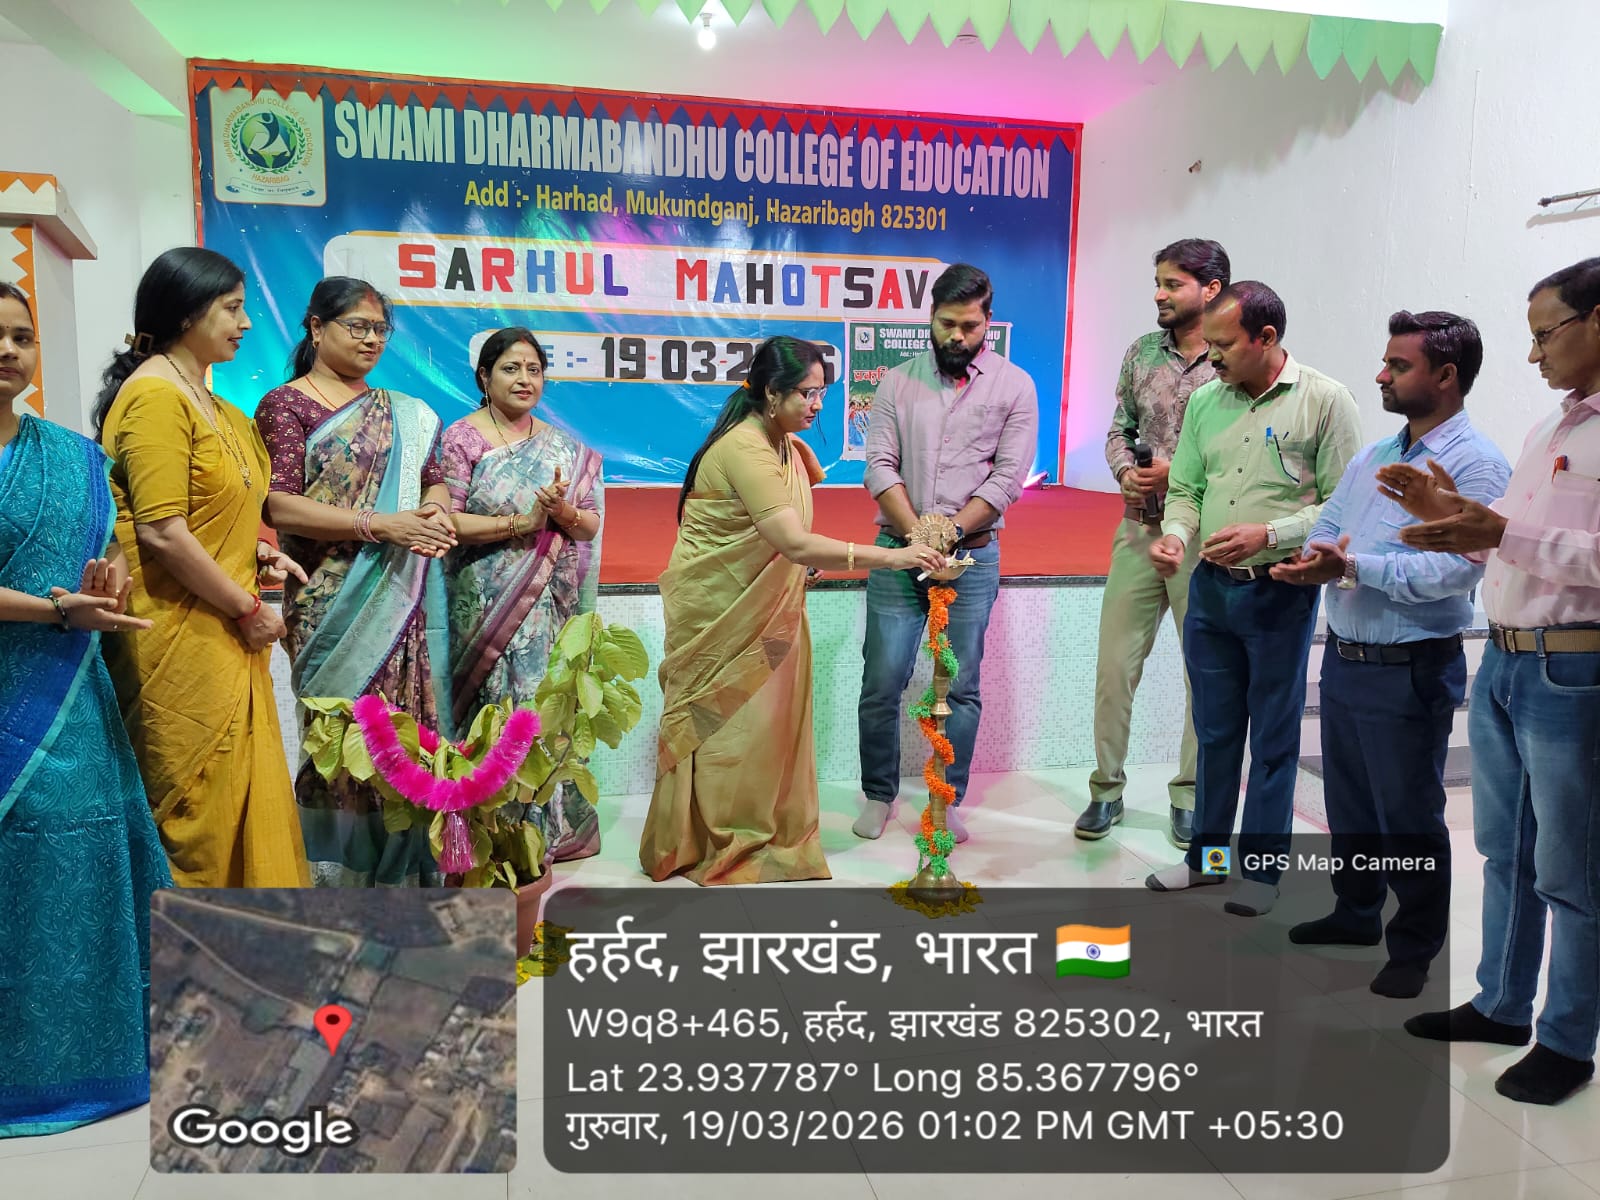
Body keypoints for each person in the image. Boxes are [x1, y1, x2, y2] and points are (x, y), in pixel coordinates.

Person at [1385, 257, 1600, 1105]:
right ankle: (1503, 1005)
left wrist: (1500, 531)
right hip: (1507, 657)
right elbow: (1505, 532)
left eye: (1547, 334)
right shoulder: (1554, 426)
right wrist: (1446, 514)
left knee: (1572, 870)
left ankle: (1568, 1039)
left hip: (1574, 666)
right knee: (1504, 853)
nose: (1535, 354)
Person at [641, 336, 945, 885]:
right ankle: (722, 840)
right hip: (721, 610)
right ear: (771, 393)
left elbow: (782, 536)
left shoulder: (782, 444)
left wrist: (791, 566)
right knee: (728, 730)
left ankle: (764, 830)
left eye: (822, 392)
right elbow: (795, 541)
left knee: (767, 730)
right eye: (807, 393)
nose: (817, 404)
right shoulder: (745, 448)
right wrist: (896, 555)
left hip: (768, 602)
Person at [1270, 311, 1509, 998]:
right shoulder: (1375, 454)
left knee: (1407, 816)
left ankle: (1413, 949)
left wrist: (1352, 568)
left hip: (1410, 667)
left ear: (1446, 375)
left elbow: (1455, 571)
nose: (1381, 375)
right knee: (1349, 803)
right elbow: (1331, 525)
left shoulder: (1476, 463)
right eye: (1385, 362)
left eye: (1398, 366)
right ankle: (1355, 912)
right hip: (1348, 658)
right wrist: (1315, 559)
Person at [0, 283, 174, 1137]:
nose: (8, 351)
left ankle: (93, 1060)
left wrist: (106, 585)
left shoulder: (73, 457)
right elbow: (57, 600)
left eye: (21, 336)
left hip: (70, 699)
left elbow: (107, 557)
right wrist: (58, 610)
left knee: (74, 862)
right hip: (29, 675)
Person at [1143, 281, 1361, 917]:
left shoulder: (1325, 401)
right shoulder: (1206, 401)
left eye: (1223, 344)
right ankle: (1208, 864)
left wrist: (1271, 533)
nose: (1209, 357)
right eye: (1207, 344)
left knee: (1271, 739)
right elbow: (1186, 489)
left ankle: (1262, 873)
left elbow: (1345, 506)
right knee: (1214, 735)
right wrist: (1177, 536)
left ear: (1266, 338)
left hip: (1279, 593)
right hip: (1211, 589)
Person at [95, 247, 310, 887]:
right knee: (193, 816)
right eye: (232, 308)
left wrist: (255, 550)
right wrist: (247, 607)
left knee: (234, 798)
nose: (246, 323)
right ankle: (190, 946)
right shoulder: (156, 397)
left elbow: (214, 510)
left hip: (218, 629)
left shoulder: (212, 404)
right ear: (187, 313)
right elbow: (161, 531)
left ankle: (238, 940)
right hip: (177, 636)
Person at [257, 276, 459, 887]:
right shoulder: (285, 406)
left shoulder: (408, 414)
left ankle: (403, 878)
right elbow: (279, 505)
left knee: (405, 731)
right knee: (342, 741)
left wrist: (435, 513)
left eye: (380, 330)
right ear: (317, 328)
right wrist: (380, 524)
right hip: (328, 599)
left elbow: (433, 479)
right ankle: (339, 879)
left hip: (399, 591)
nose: (372, 340)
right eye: (358, 327)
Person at [853, 263, 1039, 843]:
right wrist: (919, 537)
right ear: (930, 318)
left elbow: (1008, 478)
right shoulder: (896, 383)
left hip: (973, 558)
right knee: (882, 680)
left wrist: (950, 533)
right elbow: (878, 466)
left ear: (989, 321)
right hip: (898, 554)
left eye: (969, 326)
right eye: (946, 324)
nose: (957, 336)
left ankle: (946, 799)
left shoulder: (1016, 386)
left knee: (960, 686)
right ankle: (878, 795)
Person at [1079, 238, 1229, 848]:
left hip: (1205, 541)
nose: (1159, 294)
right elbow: (1119, 428)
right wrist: (1125, 471)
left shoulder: (1232, 358)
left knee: (1204, 676)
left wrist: (1179, 473)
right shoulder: (1141, 352)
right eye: (1158, 283)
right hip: (1139, 531)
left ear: (1210, 289)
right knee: (1114, 669)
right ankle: (1105, 790)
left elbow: (1240, 455)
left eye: (1172, 284)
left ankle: (1190, 796)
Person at [443, 328, 604, 862]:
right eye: (511, 368)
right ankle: (491, 837)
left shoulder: (564, 447)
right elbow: (449, 522)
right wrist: (522, 523)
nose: (524, 380)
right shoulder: (462, 439)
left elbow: (589, 525)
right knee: (495, 712)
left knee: (541, 711)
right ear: (484, 377)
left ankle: (544, 838)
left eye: (534, 370)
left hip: (549, 605)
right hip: (484, 603)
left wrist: (560, 513)